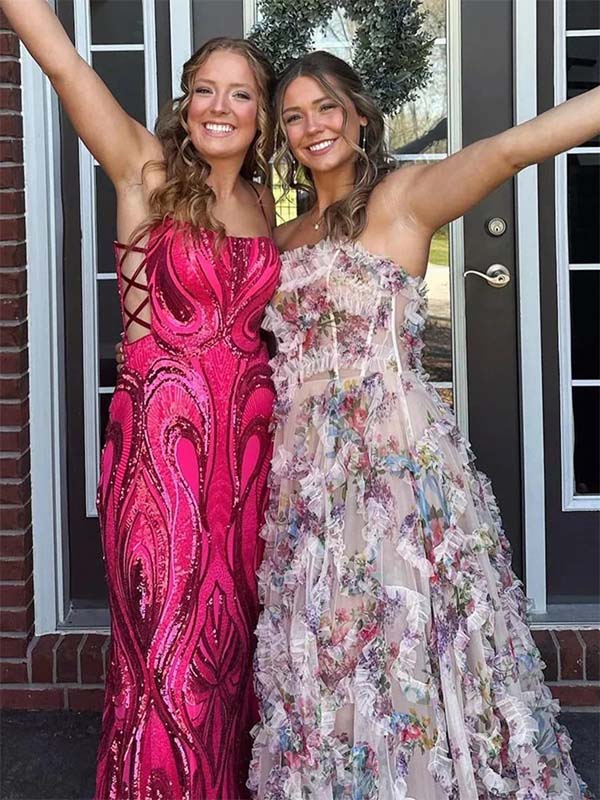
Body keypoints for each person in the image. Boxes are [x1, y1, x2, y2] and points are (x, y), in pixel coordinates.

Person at [249, 51, 598, 799]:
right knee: (327, 646)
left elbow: (510, 148)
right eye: (294, 116)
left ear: (362, 115)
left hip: (395, 472)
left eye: (327, 107)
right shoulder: (282, 238)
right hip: (305, 483)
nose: (313, 126)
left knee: (409, 642)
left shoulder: (401, 201)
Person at [1, 1, 280, 797]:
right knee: (166, 646)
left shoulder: (264, 210)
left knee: (229, 648)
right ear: (184, 103)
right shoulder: (144, 170)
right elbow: (62, 63)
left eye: (240, 94)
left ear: (260, 118)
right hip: (163, 453)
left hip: (247, 462)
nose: (219, 107)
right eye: (205, 90)